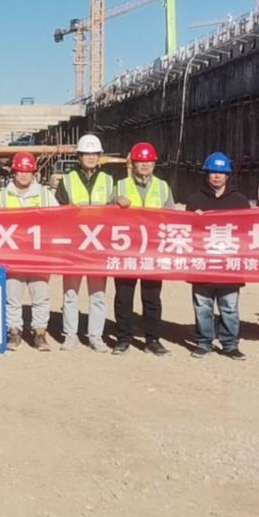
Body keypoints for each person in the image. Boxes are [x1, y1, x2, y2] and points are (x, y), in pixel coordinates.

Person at [185, 152, 249, 360]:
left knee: (229, 306)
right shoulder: (195, 200)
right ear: (207, 174)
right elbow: (186, 232)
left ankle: (230, 344)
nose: (217, 176)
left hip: (229, 264)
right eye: (213, 172)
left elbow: (248, 231)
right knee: (203, 306)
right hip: (203, 264)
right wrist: (194, 219)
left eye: (221, 172)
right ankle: (204, 342)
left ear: (228, 175)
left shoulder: (240, 200)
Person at [112, 141, 174, 356]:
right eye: (140, 161)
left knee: (152, 298)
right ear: (133, 164)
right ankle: (123, 339)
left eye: (148, 161)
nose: (145, 165)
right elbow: (106, 213)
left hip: (153, 252)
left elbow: (173, 217)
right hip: (126, 251)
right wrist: (115, 201)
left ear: (154, 163)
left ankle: (152, 340)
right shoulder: (120, 186)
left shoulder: (163, 187)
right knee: (124, 298)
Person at [55, 134, 113, 352]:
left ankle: (95, 336)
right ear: (79, 156)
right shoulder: (67, 180)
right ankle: (70, 335)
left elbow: (115, 213)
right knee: (70, 294)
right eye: (86, 154)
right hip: (74, 246)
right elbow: (57, 211)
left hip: (98, 247)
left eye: (94, 154)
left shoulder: (108, 180)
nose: (91, 157)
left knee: (98, 295)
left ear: (99, 156)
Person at [0, 151, 57, 351]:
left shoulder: (45, 195)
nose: (23, 175)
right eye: (20, 171)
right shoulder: (3, 196)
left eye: (27, 171)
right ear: (14, 172)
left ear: (34, 173)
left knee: (40, 296)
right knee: (12, 297)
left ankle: (40, 333)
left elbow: (59, 219)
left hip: (39, 256)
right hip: (13, 256)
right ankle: (14, 332)